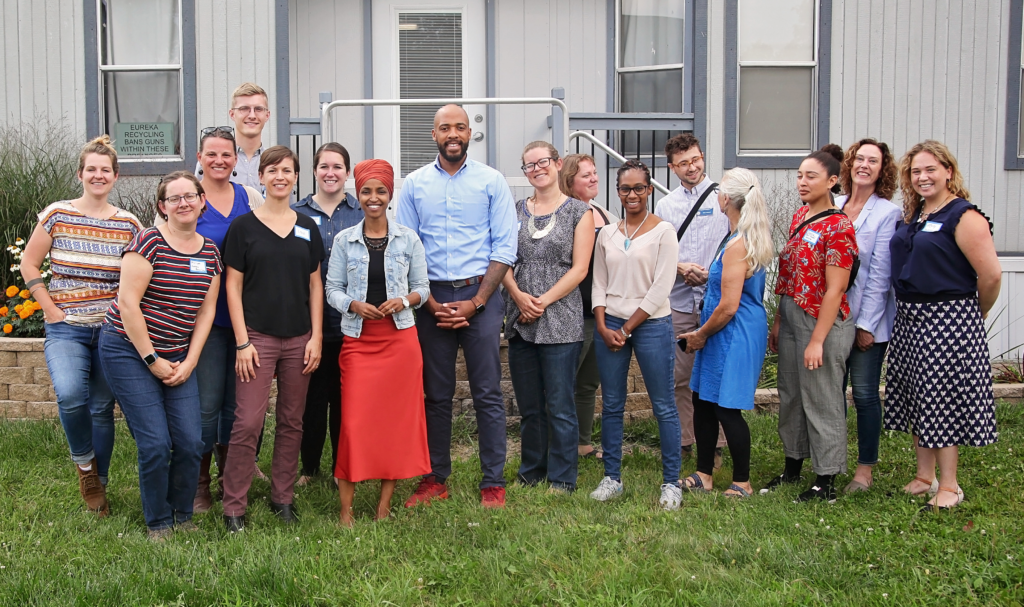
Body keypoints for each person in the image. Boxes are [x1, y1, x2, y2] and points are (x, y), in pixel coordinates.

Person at [396, 104, 517, 509]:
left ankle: (492, 482)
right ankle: (435, 478)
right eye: (445, 127)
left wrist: (478, 302)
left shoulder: (491, 181)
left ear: (470, 134)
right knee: (436, 395)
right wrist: (429, 303)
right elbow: (407, 250)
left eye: (460, 127)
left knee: (487, 393)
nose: (453, 134)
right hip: (430, 299)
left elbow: (504, 248)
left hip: (479, 298)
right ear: (433, 135)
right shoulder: (413, 185)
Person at [19, 136, 144, 516]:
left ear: (115, 176)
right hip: (67, 326)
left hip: (110, 330)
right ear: (80, 174)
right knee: (72, 395)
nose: (98, 175)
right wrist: (50, 309)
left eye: (105, 170)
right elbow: (28, 263)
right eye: (91, 169)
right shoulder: (56, 213)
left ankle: (98, 485)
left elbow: (137, 277)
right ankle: (85, 464)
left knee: (102, 408)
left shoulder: (128, 223)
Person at [98, 171, 222, 541]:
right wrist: (152, 360)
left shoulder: (211, 252)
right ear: (162, 207)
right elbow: (127, 304)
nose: (183, 203)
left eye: (190, 196)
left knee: (190, 441)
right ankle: (158, 522)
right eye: (174, 198)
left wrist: (191, 361)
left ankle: (182, 513)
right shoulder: (148, 242)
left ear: (203, 201)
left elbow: (206, 312)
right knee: (155, 443)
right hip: (129, 350)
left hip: (178, 354)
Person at [886, 140, 1000, 511]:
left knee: (941, 400)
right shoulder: (914, 214)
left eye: (930, 169)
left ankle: (949, 484)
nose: (923, 177)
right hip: (910, 317)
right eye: (916, 171)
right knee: (918, 396)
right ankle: (924, 476)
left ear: (948, 171)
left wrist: (970, 314)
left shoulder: (963, 216)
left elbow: (991, 276)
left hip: (947, 319)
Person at [220, 146, 325, 532]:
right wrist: (243, 341)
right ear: (261, 177)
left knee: (291, 421)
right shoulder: (243, 228)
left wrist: (315, 337)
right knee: (247, 422)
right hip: (258, 339)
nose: (280, 176)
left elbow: (316, 285)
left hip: (299, 339)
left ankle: (283, 497)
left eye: (288, 170)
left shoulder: (307, 226)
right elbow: (232, 287)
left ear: (297, 177)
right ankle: (234, 505)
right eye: (272, 170)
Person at [324, 159, 431, 526]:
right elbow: (331, 290)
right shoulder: (344, 240)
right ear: (358, 194)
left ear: (389, 195)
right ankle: (346, 510)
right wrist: (352, 304)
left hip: (400, 340)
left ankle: (384, 504)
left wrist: (404, 300)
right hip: (358, 341)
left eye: (380, 191)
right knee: (354, 423)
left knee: (394, 424)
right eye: (366, 191)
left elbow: (423, 289)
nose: (373, 198)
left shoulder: (407, 238)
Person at [766, 144, 858, 504]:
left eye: (812, 176)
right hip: (790, 315)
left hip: (821, 321)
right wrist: (778, 321)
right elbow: (787, 275)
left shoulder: (839, 226)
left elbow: (836, 289)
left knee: (821, 398)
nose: (802, 182)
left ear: (833, 181)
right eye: (800, 175)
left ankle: (827, 478)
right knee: (790, 395)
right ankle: (793, 466)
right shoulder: (798, 216)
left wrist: (818, 340)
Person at [589, 159, 683, 510]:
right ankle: (612, 477)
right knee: (612, 404)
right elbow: (598, 281)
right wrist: (602, 324)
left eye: (639, 188)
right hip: (609, 324)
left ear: (649, 190)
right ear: (617, 192)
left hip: (652, 325)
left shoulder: (663, 231)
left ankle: (671, 483)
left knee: (663, 406)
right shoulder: (608, 234)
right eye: (625, 188)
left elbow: (661, 287)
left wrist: (627, 328)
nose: (632, 194)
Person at [678, 168, 774, 498]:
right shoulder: (736, 235)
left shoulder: (737, 243)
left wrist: (700, 334)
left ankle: (742, 481)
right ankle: (704, 474)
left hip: (732, 331)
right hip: (723, 329)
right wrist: (708, 278)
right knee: (702, 399)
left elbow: (729, 306)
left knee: (726, 407)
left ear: (725, 199)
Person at [504, 143, 595, 493]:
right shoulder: (514, 211)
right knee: (530, 406)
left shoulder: (578, 212)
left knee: (559, 404)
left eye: (543, 161)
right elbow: (501, 259)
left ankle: (561, 477)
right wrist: (518, 296)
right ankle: (532, 472)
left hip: (561, 318)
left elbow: (580, 268)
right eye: (529, 165)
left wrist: (541, 301)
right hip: (520, 317)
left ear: (557, 164)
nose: (537, 168)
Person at [189, 127, 264, 513]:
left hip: (244, 320)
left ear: (236, 160)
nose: (219, 161)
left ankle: (230, 477)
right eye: (211, 154)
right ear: (199, 157)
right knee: (206, 406)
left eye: (227, 155)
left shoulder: (248, 197)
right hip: (202, 321)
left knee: (239, 408)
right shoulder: (188, 197)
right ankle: (199, 484)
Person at [656, 134, 730, 467]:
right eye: (683, 163)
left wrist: (712, 273)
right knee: (679, 375)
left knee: (714, 375)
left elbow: (739, 244)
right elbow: (657, 255)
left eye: (696, 159)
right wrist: (681, 267)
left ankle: (715, 445)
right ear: (672, 167)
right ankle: (685, 439)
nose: (692, 167)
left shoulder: (724, 197)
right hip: (681, 300)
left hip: (718, 300)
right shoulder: (665, 206)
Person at [293, 143, 364, 486]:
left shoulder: (361, 211)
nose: (330, 172)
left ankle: (341, 467)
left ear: (347, 172)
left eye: (337, 166)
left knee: (344, 401)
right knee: (310, 401)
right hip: (307, 324)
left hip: (350, 322)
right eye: (324, 166)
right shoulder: (296, 214)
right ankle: (309, 469)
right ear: (314, 171)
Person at [833, 138, 901, 494]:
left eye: (872, 161)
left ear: (881, 170)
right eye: (859, 158)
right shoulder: (835, 206)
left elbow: (880, 275)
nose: (864, 165)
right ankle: (833, 460)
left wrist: (866, 326)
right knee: (833, 393)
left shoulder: (887, 214)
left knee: (863, 394)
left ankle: (864, 470)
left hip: (864, 320)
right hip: (831, 318)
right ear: (849, 164)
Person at [559, 154, 613, 459]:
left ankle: (583, 443)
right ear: (569, 181)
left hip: (600, 311)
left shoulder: (603, 214)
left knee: (589, 382)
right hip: (572, 312)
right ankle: (559, 446)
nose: (594, 179)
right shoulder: (564, 215)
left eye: (594, 173)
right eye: (586, 175)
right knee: (563, 382)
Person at [196, 82, 271, 192]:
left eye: (258, 109)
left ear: (267, 115)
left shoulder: (274, 162)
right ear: (232, 114)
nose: (252, 116)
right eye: (244, 109)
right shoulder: (214, 161)